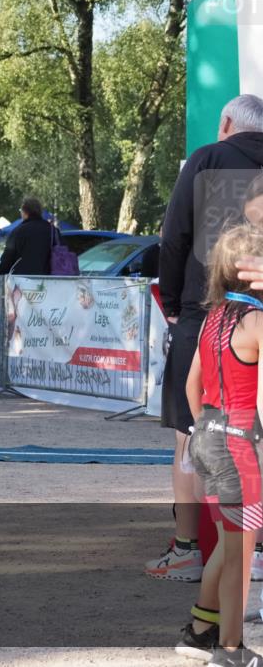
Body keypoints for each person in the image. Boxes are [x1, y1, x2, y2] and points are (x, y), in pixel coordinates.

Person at [151, 94, 263, 582]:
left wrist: (172, 305)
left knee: (189, 432)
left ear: (226, 123)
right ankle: (257, 554)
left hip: (205, 314)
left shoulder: (205, 159)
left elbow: (173, 238)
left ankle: (186, 550)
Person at [174, 224, 263, 666]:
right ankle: (232, 651)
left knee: (231, 548)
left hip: (208, 435)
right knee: (240, 557)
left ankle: (199, 631)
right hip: (242, 446)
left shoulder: (213, 319)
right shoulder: (257, 323)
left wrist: (206, 429)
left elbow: (193, 386)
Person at [0, 197, 55, 275]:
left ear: (24, 212)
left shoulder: (18, 231)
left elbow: (7, 259)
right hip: (50, 281)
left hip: (23, 282)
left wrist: (1, 275)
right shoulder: (52, 230)